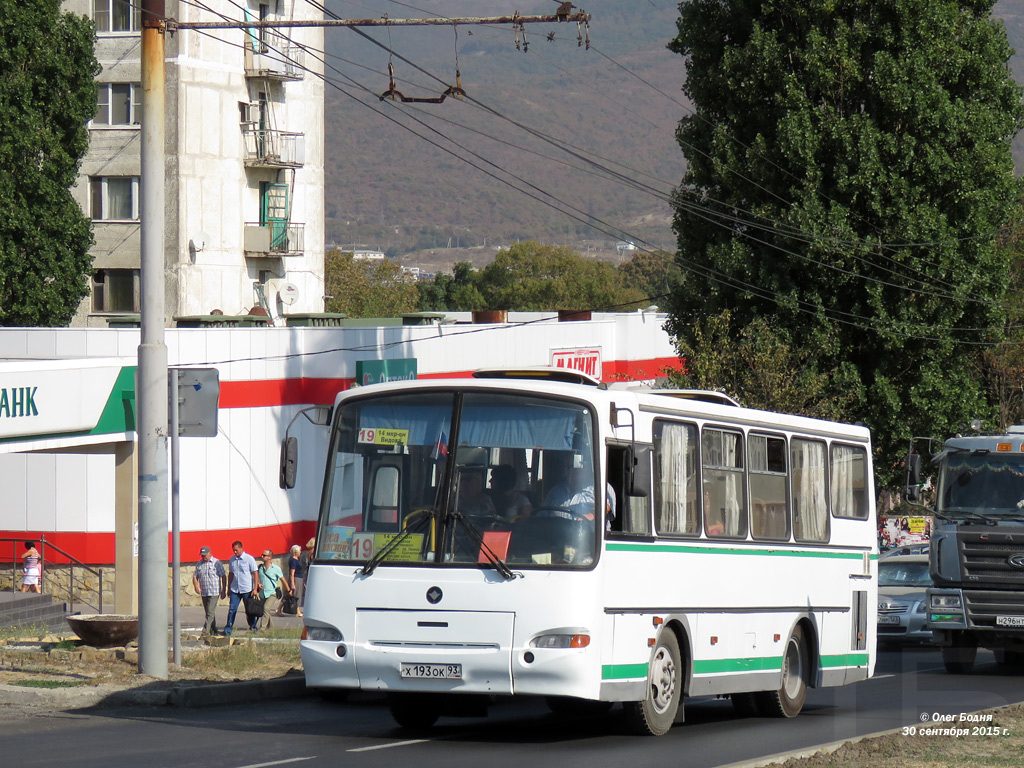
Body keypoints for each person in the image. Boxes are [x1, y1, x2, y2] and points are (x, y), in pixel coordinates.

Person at [224, 540, 259, 635]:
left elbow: (255, 573)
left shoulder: (249, 559)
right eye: (233, 550)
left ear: (241, 548)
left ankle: (253, 626)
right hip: (235, 589)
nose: (235, 552)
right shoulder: (232, 559)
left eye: (236, 550)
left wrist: (255, 588)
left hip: (247, 588)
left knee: (249, 610)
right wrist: (228, 588)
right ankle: (228, 627)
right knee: (232, 609)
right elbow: (231, 574)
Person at [192, 546, 226, 635]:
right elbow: (195, 577)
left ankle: (205, 631)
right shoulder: (199, 564)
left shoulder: (216, 563)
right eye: (202, 555)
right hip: (204, 591)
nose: (203, 557)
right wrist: (196, 586)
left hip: (214, 591)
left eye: (205, 555)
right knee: (208, 612)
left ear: (210, 553)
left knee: (210, 612)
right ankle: (214, 630)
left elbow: (223, 576)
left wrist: (224, 590)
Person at [257, 549, 286, 628]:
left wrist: (289, 590)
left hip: (272, 592)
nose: (262, 556)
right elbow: (256, 578)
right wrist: (258, 584)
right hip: (263, 593)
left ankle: (262, 628)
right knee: (265, 611)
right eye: (262, 555)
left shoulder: (276, 568)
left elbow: (282, 579)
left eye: (264, 555)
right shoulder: (260, 567)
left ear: (270, 557)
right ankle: (271, 628)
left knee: (266, 608)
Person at [278, 544, 303, 617]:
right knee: (296, 594)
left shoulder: (295, 559)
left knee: (289, 594)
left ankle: (279, 609)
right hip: (296, 578)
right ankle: (297, 611)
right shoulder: (294, 561)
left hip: (298, 578)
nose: (300, 552)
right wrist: (292, 583)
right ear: (296, 552)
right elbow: (292, 572)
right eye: (299, 551)